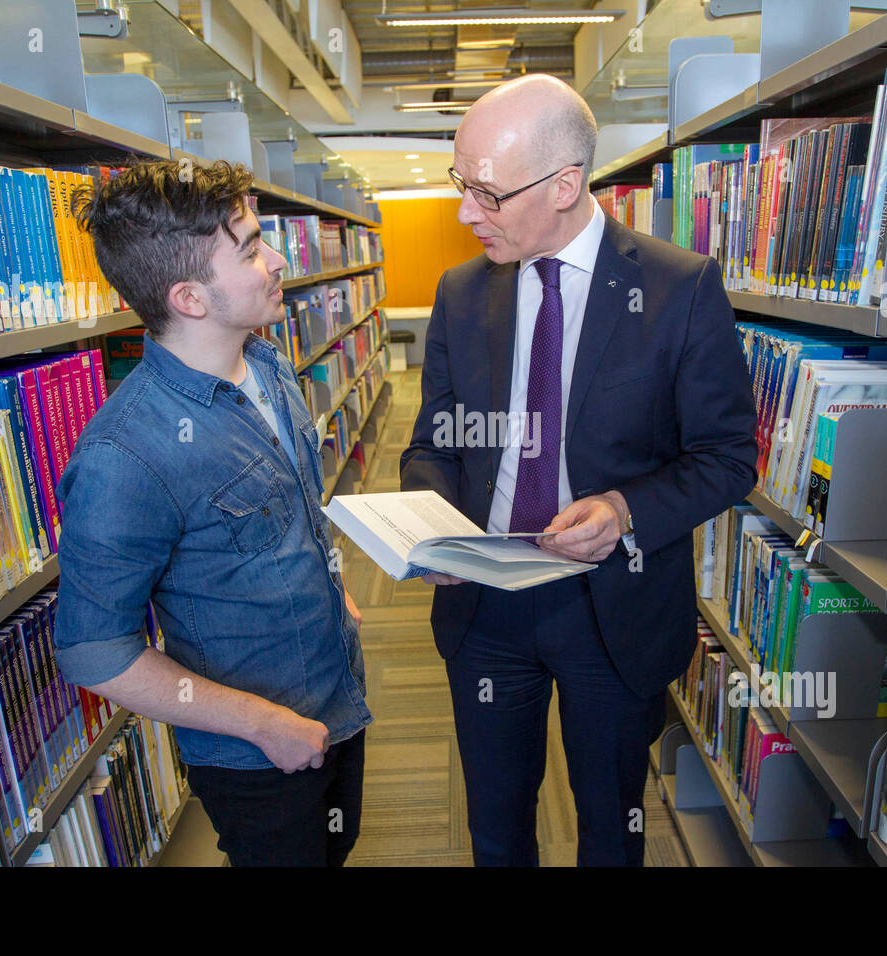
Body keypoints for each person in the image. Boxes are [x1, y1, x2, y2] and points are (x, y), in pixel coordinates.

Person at [400, 75, 758, 866]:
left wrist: (625, 511)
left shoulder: (677, 288)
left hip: (613, 608)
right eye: (463, 187)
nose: (466, 214)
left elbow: (727, 458)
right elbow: (433, 442)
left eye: (486, 195)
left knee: (610, 827)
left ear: (565, 185)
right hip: (484, 605)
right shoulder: (462, 293)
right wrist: (435, 522)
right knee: (496, 830)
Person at [52, 159, 371, 867]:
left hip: (335, 695)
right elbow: (93, 651)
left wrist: (332, 590)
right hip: (257, 754)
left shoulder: (268, 364)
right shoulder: (124, 455)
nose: (280, 261)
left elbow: (288, 514)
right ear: (190, 298)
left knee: (338, 848)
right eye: (253, 250)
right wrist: (261, 723)